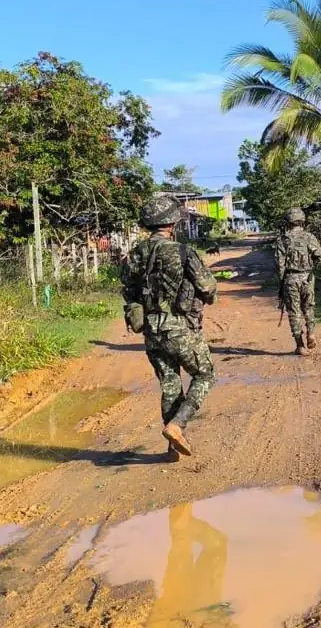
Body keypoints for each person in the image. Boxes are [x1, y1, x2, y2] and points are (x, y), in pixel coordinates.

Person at [122, 195, 218, 461]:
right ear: (172, 222)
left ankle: (172, 448)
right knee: (205, 375)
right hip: (180, 328)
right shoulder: (182, 251)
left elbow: (128, 290)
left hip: (152, 331)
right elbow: (207, 287)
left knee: (170, 383)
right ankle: (178, 424)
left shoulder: (135, 254)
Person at [274, 207, 321, 356]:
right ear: (302, 221)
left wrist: (282, 282)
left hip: (290, 279)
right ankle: (311, 333)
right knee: (309, 308)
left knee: (294, 312)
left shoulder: (282, 240)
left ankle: (300, 346)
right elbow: (319, 257)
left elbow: (279, 264)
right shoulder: (309, 237)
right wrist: (310, 269)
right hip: (308, 278)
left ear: (288, 222)